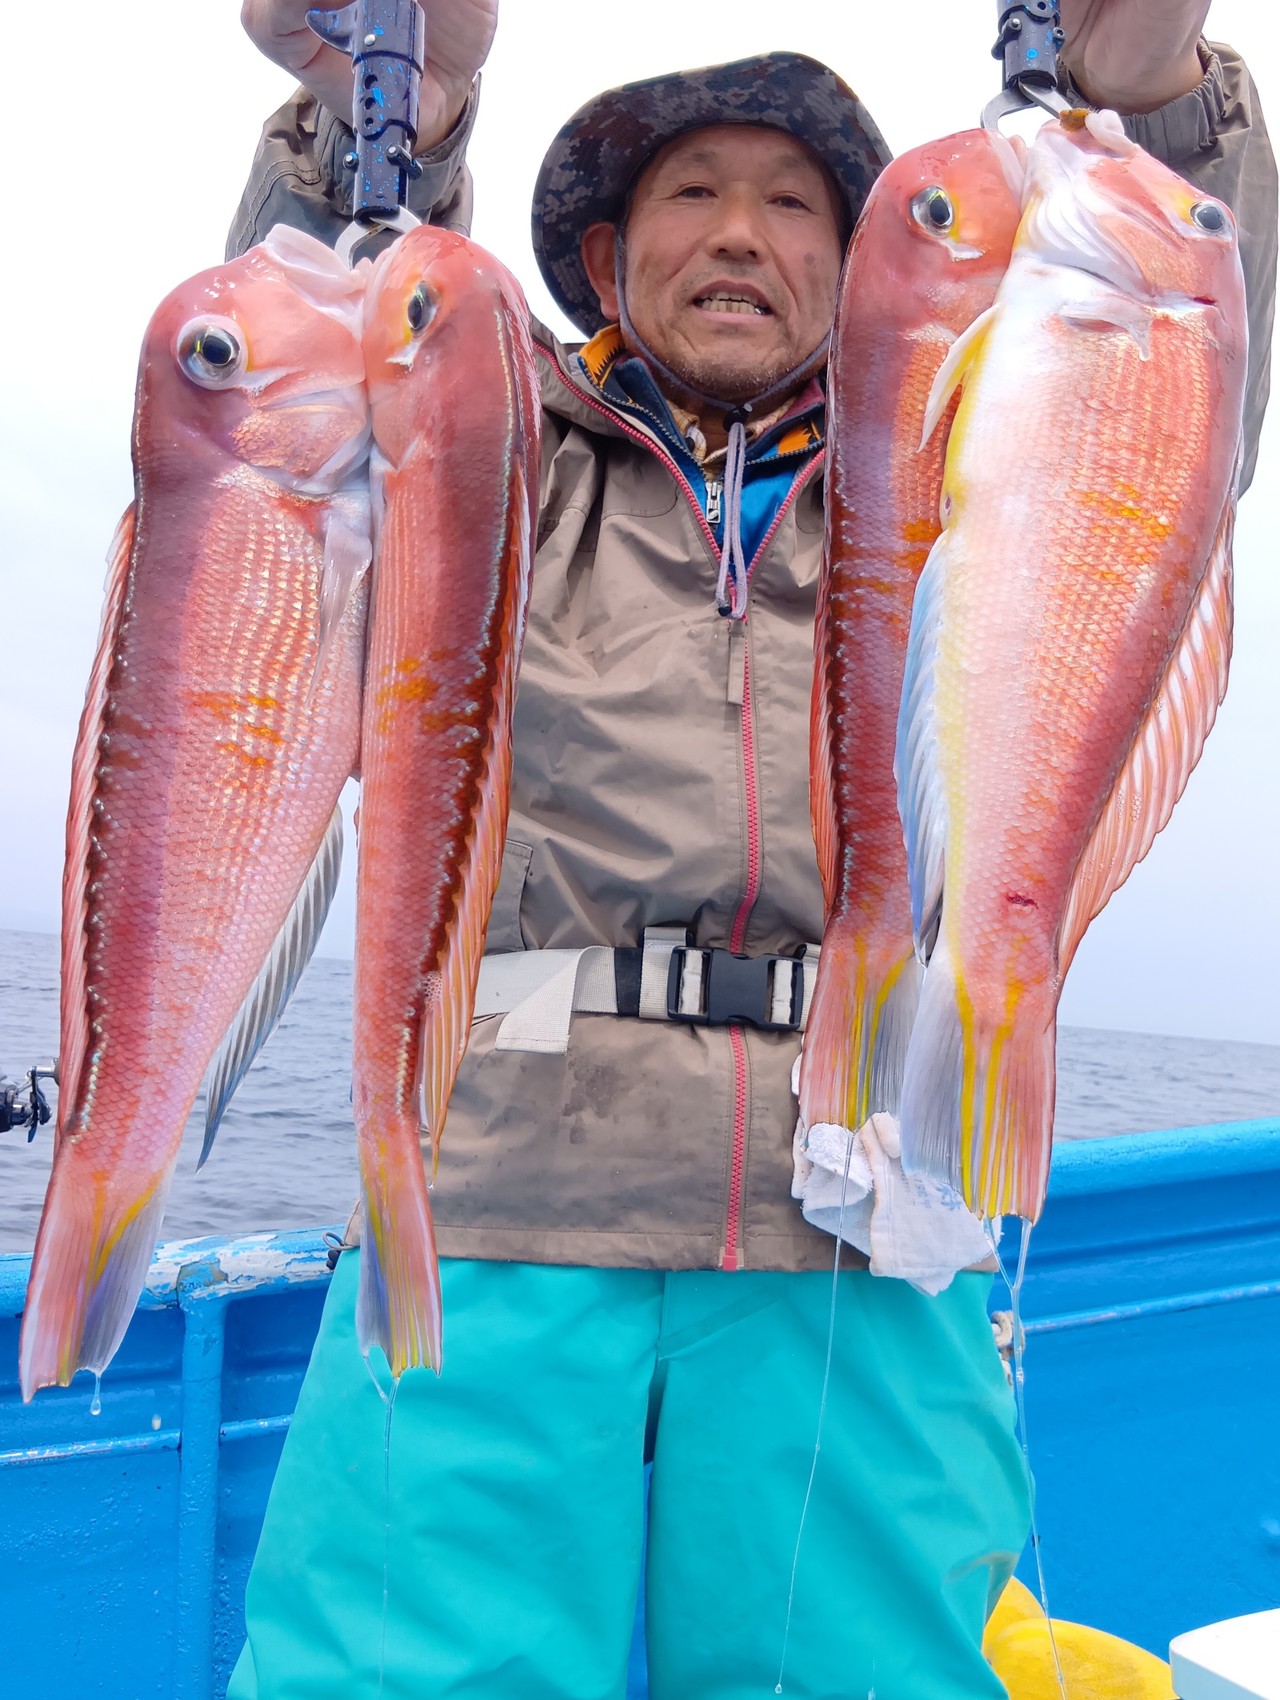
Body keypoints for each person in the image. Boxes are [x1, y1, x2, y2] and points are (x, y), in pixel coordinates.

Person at [227, 4, 1276, 1696]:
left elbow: (1158, 411)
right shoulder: (492, 459)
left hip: (862, 1192)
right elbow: (288, 399)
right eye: (690, 195)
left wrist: (1153, 100)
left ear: (862, 270)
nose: (738, 233)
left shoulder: (950, 462)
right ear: (602, 260)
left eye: (793, 204)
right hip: (497, 1193)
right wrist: (382, 119)